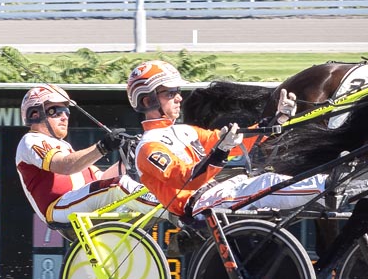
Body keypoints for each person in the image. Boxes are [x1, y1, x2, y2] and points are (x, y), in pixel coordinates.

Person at [126, 60, 332, 220]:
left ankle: (331, 185)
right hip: (198, 204)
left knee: (268, 181)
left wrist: (276, 119)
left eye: (178, 92)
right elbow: (185, 179)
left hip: (219, 193)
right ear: (148, 100)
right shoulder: (148, 147)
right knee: (267, 183)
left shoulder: (185, 131)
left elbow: (237, 142)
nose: (179, 97)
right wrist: (221, 150)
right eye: (170, 93)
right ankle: (330, 185)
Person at [15, 84, 157, 235]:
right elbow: (64, 166)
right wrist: (103, 146)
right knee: (120, 185)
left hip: (76, 203)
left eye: (66, 111)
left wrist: (129, 155)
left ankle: (164, 206)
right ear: (35, 114)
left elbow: (101, 178)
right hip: (58, 208)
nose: (64, 117)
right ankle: (167, 205)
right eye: (55, 111)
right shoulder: (30, 140)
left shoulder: (65, 147)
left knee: (126, 184)